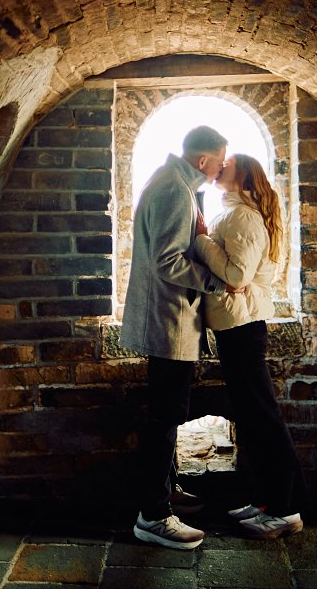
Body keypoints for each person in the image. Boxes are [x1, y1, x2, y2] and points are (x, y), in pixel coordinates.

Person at [120, 125, 234, 550]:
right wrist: (216, 283)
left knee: (166, 413)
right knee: (165, 418)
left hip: (171, 320)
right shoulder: (173, 189)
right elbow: (168, 260)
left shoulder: (174, 183)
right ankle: (153, 516)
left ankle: (163, 493)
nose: (221, 169)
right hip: (168, 321)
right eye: (219, 161)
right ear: (203, 161)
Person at [193, 153, 307, 539]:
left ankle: (285, 509)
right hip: (237, 324)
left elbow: (236, 275)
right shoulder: (235, 211)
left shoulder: (241, 216)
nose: (219, 167)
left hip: (242, 325)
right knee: (255, 417)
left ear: (243, 178)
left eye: (228, 166)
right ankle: (266, 500)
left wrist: (201, 240)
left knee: (263, 419)